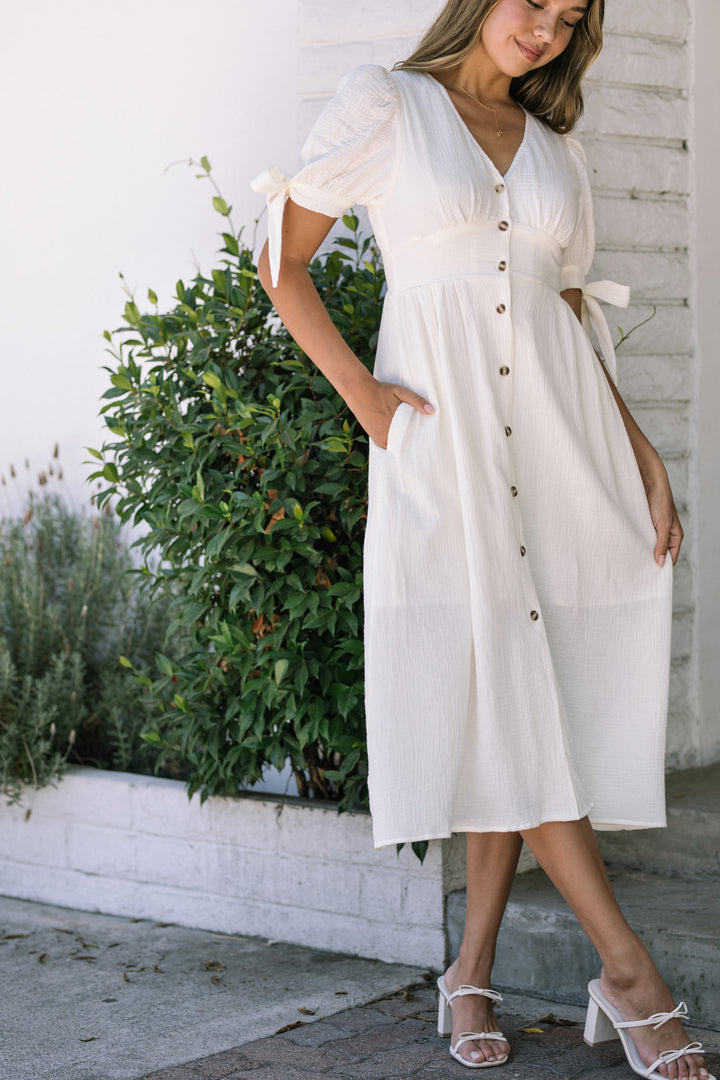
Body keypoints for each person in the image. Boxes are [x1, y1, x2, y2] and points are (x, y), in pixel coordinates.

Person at [250, 1, 713, 1077]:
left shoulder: (557, 150)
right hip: (445, 451)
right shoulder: (390, 105)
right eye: (534, 2)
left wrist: (640, 453)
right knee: (499, 686)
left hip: (563, 455)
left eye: (570, 17)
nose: (547, 28)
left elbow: (566, 319)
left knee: (523, 694)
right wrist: (363, 397)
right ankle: (630, 973)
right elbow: (282, 261)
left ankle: (469, 973)